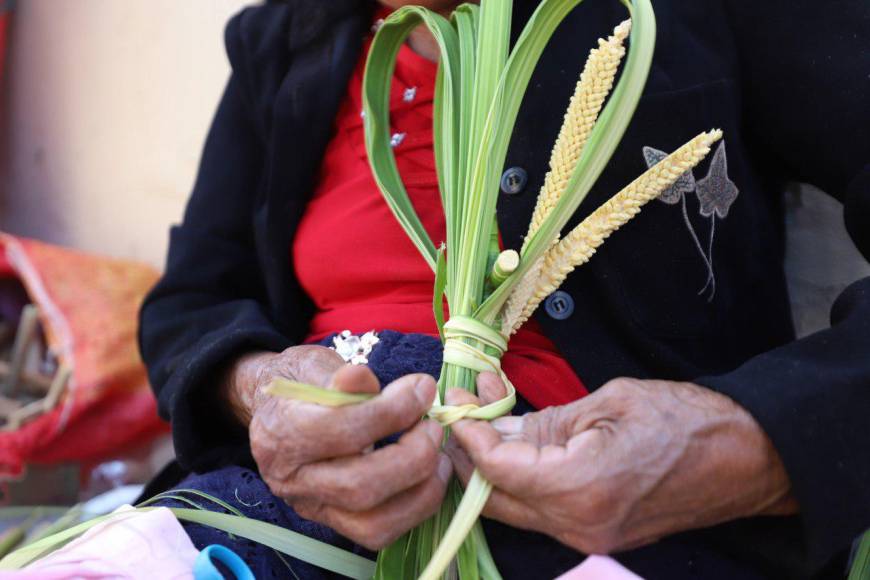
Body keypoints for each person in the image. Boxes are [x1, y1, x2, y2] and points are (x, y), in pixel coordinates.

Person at [138, 0, 870, 578]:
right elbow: (189, 302)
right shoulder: (284, 44)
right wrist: (259, 389)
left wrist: (748, 444)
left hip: (628, 534)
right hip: (287, 515)